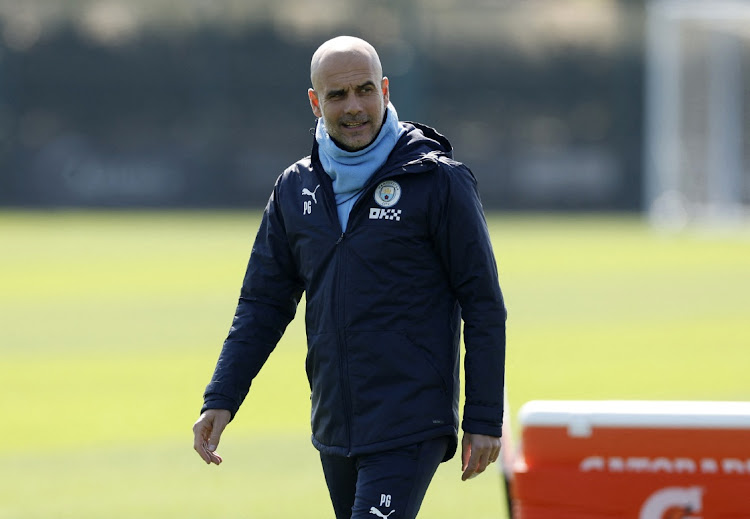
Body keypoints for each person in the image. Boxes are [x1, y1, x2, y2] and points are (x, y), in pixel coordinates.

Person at [192, 35, 507, 519]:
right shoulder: (294, 187)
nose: (355, 106)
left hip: (410, 421)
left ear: (384, 89)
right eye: (338, 96)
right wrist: (223, 396)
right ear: (316, 103)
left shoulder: (438, 180)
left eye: (365, 90)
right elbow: (262, 304)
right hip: (335, 424)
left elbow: (482, 302)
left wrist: (484, 417)